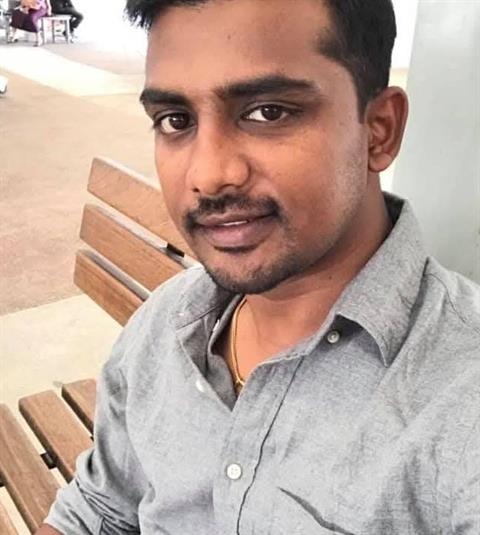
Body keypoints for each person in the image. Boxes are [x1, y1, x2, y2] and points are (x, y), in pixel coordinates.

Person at [37, 0, 480, 533]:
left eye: (268, 112)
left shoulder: (459, 401)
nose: (208, 175)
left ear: (379, 130)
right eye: (175, 120)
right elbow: (100, 509)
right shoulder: (168, 325)